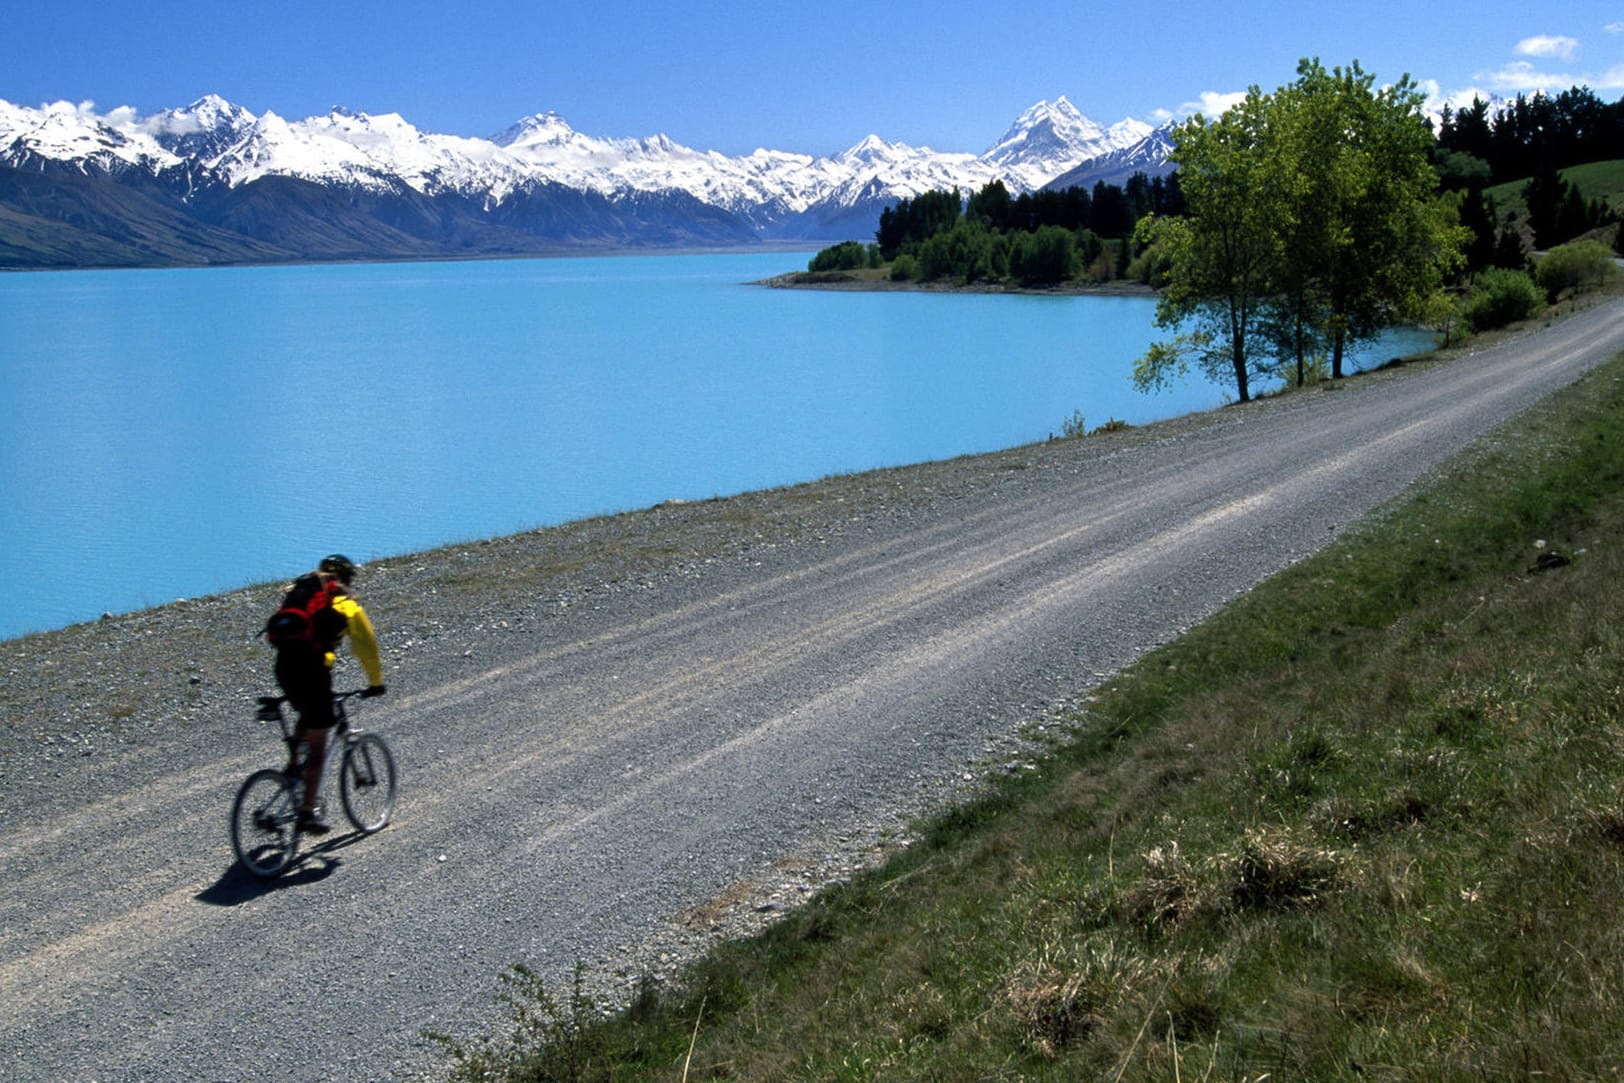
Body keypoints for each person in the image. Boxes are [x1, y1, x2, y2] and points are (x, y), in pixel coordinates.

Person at [270, 553, 386, 834]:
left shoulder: (302, 595)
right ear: (346, 578)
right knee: (320, 742)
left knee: (307, 715)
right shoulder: (347, 605)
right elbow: (366, 647)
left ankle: (293, 767)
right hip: (313, 672)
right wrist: (375, 682)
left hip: (284, 667)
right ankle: (307, 812)